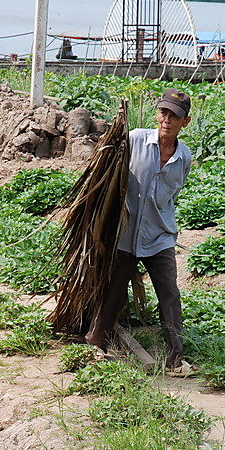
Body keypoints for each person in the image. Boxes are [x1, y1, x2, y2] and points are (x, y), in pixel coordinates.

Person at [85, 88, 193, 372]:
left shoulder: (184, 158)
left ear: (186, 122)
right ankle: (97, 344)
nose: (167, 120)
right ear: (157, 114)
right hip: (126, 232)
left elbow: (172, 194)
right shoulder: (135, 140)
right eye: (164, 113)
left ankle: (175, 358)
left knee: (169, 293)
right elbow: (106, 169)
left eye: (175, 116)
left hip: (159, 235)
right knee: (114, 290)